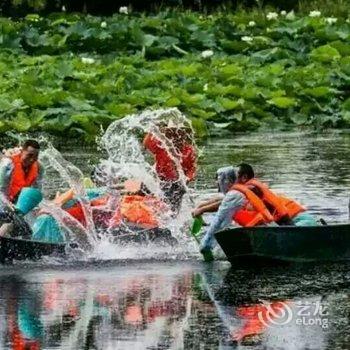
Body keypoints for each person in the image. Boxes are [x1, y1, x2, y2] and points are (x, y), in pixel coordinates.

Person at [199, 163, 317, 256]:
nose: (232, 178)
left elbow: (225, 203)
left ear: (244, 177)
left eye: (235, 175)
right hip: (291, 225)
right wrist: (202, 206)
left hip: (302, 223)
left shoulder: (251, 188)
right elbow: (223, 201)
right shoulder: (243, 190)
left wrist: (202, 210)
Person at [143, 123, 196, 213]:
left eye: (178, 133)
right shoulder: (162, 146)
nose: (175, 136)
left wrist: (186, 179)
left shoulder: (189, 150)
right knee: (140, 187)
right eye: (172, 134)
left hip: (178, 183)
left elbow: (192, 169)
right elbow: (146, 143)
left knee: (173, 207)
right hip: (159, 179)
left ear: (183, 135)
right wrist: (153, 130)